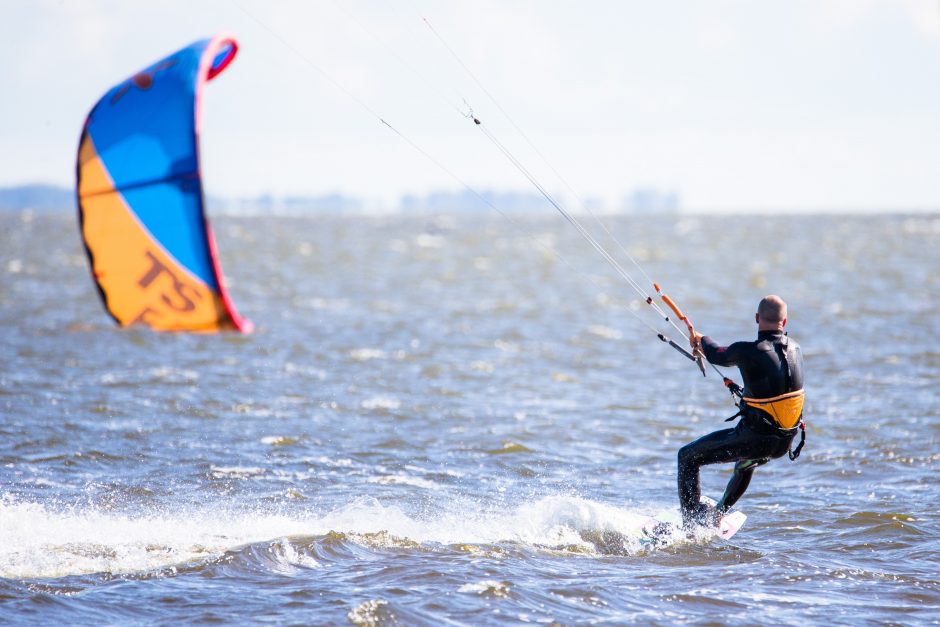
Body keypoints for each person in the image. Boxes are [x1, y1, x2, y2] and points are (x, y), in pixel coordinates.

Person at [679, 295, 805, 528]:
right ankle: (718, 514)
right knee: (746, 462)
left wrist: (701, 339)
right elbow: (773, 386)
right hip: (784, 442)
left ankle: (691, 526)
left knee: (687, 457)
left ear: (757, 318)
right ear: (784, 322)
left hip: (757, 439)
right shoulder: (796, 349)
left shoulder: (750, 351)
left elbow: (718, 355)